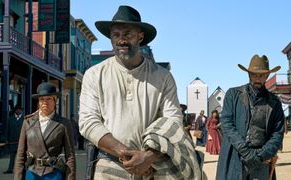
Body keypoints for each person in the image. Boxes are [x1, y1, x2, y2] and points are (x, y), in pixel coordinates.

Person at [79, 5, 201, 179]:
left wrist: (148, 157)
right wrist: (125, 153)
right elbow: (88, 122)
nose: (121, 40)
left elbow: (173, 122)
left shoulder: (163, 77)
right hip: (108, 164)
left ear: (140, 36)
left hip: (152, 166)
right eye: (116, 35)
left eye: (127, 34)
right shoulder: (94, 75)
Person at [216, 55, 285, 180]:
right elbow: (227, 123)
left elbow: (277, 133)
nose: (258, 78)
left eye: (262, 75)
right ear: (248, 75)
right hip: (235, 157)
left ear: (267, 75)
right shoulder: (233, 95)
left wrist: (261, 155)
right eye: (254, 75)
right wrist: (246, 152)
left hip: (262, 161)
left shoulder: (275, 102)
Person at [14, 82, 76, 180]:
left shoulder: (64, 124)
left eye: (49, 99)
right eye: (41, 99)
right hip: (32, 172)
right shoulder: (28, 122)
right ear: (38, 102)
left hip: (53, 173)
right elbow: (20, 155)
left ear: (55, 100)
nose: (45, 102)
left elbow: (70, 157)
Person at [3, 104, 24, 174]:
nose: (18, 111)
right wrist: (6, 139)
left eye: (20, 109)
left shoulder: (25, 119)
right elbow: (7, 130)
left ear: (21, 111)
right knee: (12, 157)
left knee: (21, 157)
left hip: (21, 142)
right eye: (17, 109)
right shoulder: (10, 119)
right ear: (15, 111)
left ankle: (22, 170)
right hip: (12, 142)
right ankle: (10, 169)